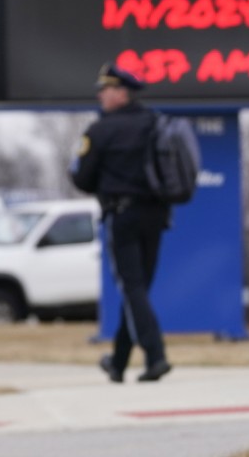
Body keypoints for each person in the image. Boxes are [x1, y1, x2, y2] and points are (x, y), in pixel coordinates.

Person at [70, 62, 173, 383]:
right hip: (156, 215)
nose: (101, 95)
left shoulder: (101, 130)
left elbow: (83, 179)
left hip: (122, 215)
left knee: (132, 288)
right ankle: (118, 361)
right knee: (139, 289)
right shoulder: (155, 123)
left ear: (121, 92)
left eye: (106, 89)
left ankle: (156, 356)